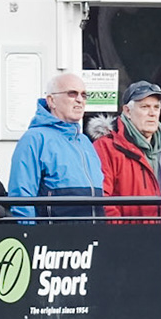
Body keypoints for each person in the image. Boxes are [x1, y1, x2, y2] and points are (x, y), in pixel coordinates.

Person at [7, 71, 107, 219]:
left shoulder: (85, 141)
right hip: (53, 231)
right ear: (51, 101)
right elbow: (21, 196)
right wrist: (27, 231)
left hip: (92, 229)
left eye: (84, 95)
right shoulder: (34, 139)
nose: (80, 100)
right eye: (72, 94)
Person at [98, 80, 161, 219]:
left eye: (156, 107)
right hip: (129, 232)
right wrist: (125, 231)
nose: (152, 113)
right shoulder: (106, 147)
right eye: (145, 107)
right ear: (127, 111)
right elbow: (102, 201)